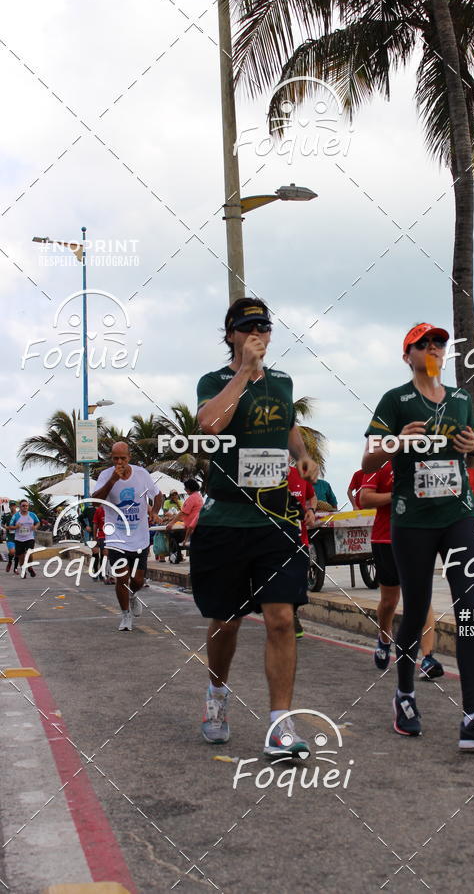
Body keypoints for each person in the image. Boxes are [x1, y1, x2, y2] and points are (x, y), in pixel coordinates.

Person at [363, 322, 474, 749]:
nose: (433, 348)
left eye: (439, 343)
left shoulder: (462, 400)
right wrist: (394, 441)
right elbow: (369, 456)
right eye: (423, 343)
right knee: (418, 608)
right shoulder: (395, 400)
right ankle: (405, 694)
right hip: (412, 519)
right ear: (407, 355)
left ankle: (473, 718)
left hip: (458, 514)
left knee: (469, 608)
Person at [190, 297, 318, 758]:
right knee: (226, 621)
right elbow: (208, 426)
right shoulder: (216, 380)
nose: (257, 333)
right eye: (247, 328)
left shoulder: (283, 383)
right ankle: (217, 697)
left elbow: (288, 426)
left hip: (276, 520)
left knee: (281, 619)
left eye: (263, 326)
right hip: (226, 518)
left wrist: (301, 455)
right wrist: (244, 372)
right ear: (230, 336)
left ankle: (280, 724)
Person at [360, 462, 443, 679]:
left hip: (419, 537)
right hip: (385, 539)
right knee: (389, 602)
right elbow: (365, 499)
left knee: (421, 598)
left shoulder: (426, 462)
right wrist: (398, 494)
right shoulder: (381, 461)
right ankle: (384, 637)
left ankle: (427, 658)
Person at [94, 442, 163, 631]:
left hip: (139, 537)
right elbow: (95, 502)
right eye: (115, 458)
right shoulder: (106, 476)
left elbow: (158, 495)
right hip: (116, 536)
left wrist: (154, 512)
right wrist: (112, 482)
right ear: (111, 458)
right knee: (122, 577)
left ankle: (133, 596)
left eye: (122, 458)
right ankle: (125, 616)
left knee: (138, 580)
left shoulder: (142, 474)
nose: (119, 462)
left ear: (129, 457)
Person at [287, 461, 317, 638]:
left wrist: (311, 510)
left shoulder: (299, 474)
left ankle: (293, 612)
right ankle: (285, 616)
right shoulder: (264, 478)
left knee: (300, 579)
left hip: (300, 539)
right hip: (274, 541)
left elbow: (312, 496)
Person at [165, 478, 204, 550]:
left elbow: (182, 513)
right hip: (196, 525)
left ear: (189, 488)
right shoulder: (198, 496)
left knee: (173, 535)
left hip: (191, 527)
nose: (184, 489)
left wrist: (171, 523)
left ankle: (178, 552)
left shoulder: (191, 498)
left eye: (185, 488)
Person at [10, 499, 40, 578]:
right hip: (19, 539)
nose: (25, 507)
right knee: (21, 556)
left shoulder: (32, 515)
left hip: (30, 538)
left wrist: (35, 527)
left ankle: (30, 567)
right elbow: (10, 527)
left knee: (29, 553)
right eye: (23, 506)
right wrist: (16, 527)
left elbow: (38, 522)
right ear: (20, 507)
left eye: (26, 506)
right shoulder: (15, 516)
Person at [92, 504, 110, 583]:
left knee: (105, 555)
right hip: (102, 535)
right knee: (99, 554)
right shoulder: (99, 510)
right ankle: (96, 571)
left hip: (111, 535)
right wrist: (95, 536)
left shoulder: (112, 510)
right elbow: (95, 524)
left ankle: (103, 573)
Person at [3, 502, 18, 573]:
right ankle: (9, 562)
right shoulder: (6, 515)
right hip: (10, 536)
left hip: (19, 536)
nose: (12, 507)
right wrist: (5, 527)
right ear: (9, 507)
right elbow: (2, 523)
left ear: (16, 506)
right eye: (11, 506)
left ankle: (15, 569)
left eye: (14, 506)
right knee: (12, 552)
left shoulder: (19, 515)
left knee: (18, 553)